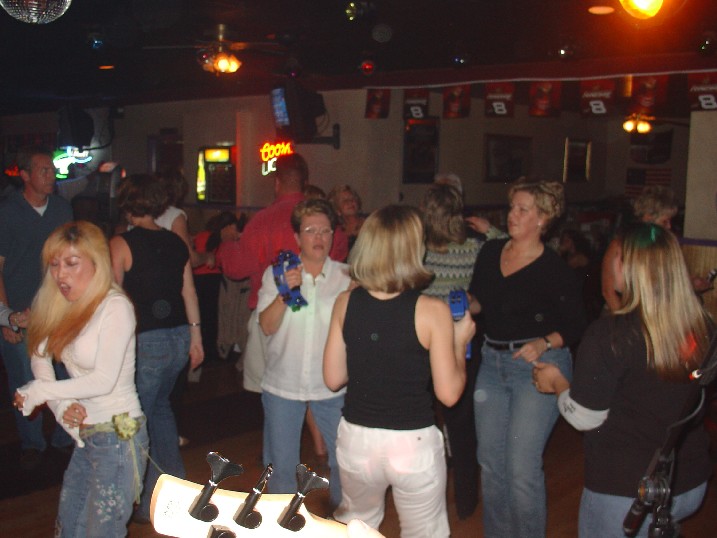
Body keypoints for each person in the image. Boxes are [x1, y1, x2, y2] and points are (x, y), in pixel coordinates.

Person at [533, 223, 713, 538]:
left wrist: (557, 382)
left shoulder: (610, 336)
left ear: (629, 267)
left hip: (629, 493)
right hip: (688, 483)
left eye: (615, 255)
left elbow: (584, 417)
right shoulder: (704, 326)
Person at [324, 205, 475, 537]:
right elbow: (449, 394)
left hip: (357, 440)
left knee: (357, 529)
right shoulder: (431, 311)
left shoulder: (345, 302)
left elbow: (333, 378)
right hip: (412, 443)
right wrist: (460, 342)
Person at [468, 180, 587, 538]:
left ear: (543, 218)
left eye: (523, 209)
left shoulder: (554, 269)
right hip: (492, 363)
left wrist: (544, 341)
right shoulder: (491, 252)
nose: (512, 215)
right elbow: (481, 302)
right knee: (491, 464)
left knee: (521, 468)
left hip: (538, 368)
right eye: (512, 207)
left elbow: (577, 324)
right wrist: (462, 304)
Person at [13, 221, 148, 537]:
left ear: (96, 263)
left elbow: (103, 380)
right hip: (86, 433)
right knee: (69, 527)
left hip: (119, 436)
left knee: (101, 532)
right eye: (54, 264)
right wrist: (62, 406)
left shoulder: (115, 307)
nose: (60, 274)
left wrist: (40, 391)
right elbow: (39, 356)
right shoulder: (59, 303)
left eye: (71, 263)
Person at [109, 173, 204, 524]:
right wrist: (196, 338)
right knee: (160, 410)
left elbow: (113, 298)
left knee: (135, 420)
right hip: (178, 337)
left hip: (145, 340)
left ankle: (139, 501)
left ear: (127, 204)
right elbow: (189, 292)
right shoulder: (176, 242)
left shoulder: (121, 243)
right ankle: (176, 493)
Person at [218, 153, 347, 392]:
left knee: (272, 390)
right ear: (305, 183)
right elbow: (338, 258)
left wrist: (226, 244)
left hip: (272, 316)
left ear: (277, 183)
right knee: (317, 387)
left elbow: (236, 269)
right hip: (319, 316)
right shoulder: (324, 223)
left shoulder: (261, 221)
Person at [257, 198, 350, 509]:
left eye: (325, 230)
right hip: (283, 384)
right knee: (281, 467)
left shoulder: (347, 277)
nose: (319, 237)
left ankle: (343, 520)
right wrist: (285, 294)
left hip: (331, 387)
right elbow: (266, 326)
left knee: (345, 461)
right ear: (297, 237)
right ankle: (281, 523)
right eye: (310, 230)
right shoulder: (277, 274)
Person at [420, 182, 504, 519]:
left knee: (422, 422)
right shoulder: (475, 246)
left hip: (423, 340)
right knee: (462, 424)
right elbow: (509, 247)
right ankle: (466, 503)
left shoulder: (419, 248)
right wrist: (489, 228)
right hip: (461, 340)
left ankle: (426, 498)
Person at [0, 145, 74, 470]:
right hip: (21, 313)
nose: (51, 176)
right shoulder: (8, 212)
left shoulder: (61, 208)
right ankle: (32, 442)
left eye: (52, 170)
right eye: (44, 170)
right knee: (25, 379)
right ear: (25, 175)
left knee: (66, 375)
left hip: (58, 312)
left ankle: (63, 437)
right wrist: (6, 319)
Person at [601, 186, 677, 312]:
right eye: (664, 222)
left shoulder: (662, 249)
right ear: (648, 219)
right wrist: (624, 320)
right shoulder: (619, 245)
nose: (669, 227)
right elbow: (608, 292)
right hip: (619, 313)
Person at [328, 184, 365, 252]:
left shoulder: (371, 223)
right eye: (344, 200)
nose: (350, 202)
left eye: (352, 199)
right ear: (337, 210)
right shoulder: (335, 233)